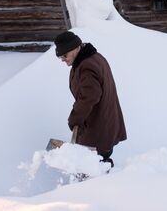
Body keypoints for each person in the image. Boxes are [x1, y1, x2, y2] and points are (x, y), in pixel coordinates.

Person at [54, 31, 127, 167]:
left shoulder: (87, 66)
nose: (63, 59)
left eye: (64, 55)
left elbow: (88, 97)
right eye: (60, 57)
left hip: (99, 125)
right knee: (97, 162)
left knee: (94, 164)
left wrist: (75, 119)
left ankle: (107, 182)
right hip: (103, 122)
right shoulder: (92, 58)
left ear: (75, 48)